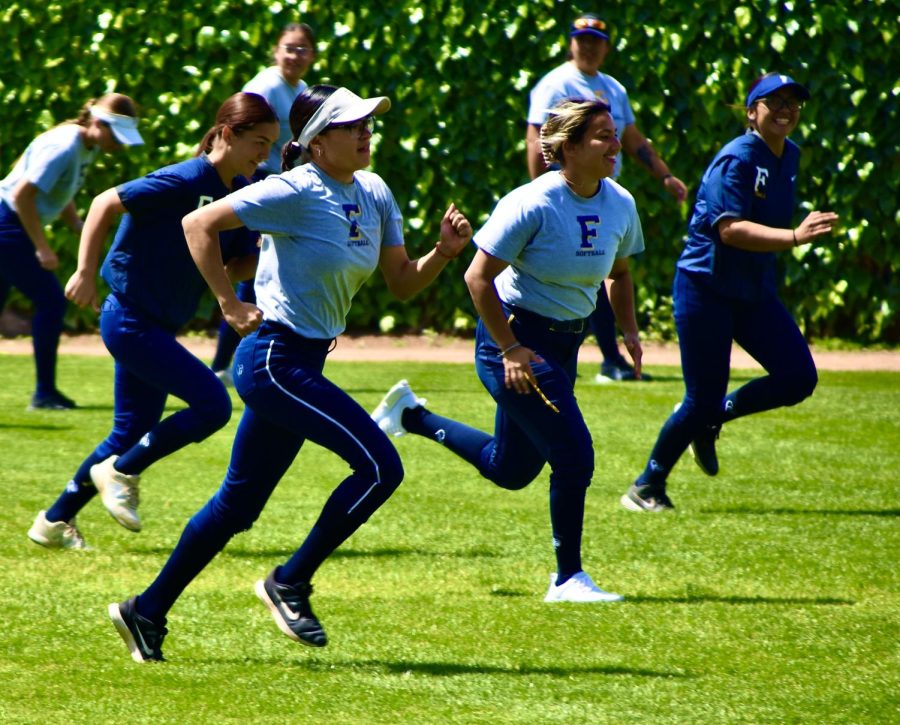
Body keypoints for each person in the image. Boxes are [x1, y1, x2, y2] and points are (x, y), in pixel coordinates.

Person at [107, 84, 473, 661]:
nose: (365, 132)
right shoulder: (295, 187)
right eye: (352, 124)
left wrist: (445, 254)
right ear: (318, 141)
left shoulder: (374, 190)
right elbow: (197, 225)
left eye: (367, 123)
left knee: (237, 507)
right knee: (381, 468)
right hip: (274, 359)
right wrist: (228, 303)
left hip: (301, 360)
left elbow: (402, 281)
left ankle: (145, 611)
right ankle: (290, 583)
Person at [373, 99, 644, 603]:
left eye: (614, 134)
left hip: (564, 344)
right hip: (516, 342)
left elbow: (621, 274)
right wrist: (512, 348)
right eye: (603, 136)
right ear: (568, 148)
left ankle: (411, 417)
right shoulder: (531, 203)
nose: (614, 145)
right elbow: (477, 278)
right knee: (574, 456)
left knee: (510, 469)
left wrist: (628, 331)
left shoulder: (620, 203)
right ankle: (567, 579)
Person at [27, 92, 279, 550]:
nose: (264, 154)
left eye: (270, 145)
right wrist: (84, 270)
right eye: (258, 142)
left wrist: (267, 250)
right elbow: (105, 203)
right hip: (129, 317)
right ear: (226, 134)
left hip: (157, 324)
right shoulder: (185, 179)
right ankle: (122, 470)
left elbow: (233, 264)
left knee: (129, 431)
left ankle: (53, 519)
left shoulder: (240, 194)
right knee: (212, 406)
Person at [620, 73, 839, 512]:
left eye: (793, 102)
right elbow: (730, 230)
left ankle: (715, 417)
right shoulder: (736, 158)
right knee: (700, 398)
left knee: (798, 377)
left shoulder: (789, 155)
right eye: (773, 101)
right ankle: (646, 487)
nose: (785, 109)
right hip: (706, 288)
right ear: (750, 111)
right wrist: (795, 237)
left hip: (753, 291)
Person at [526, 13, 687, 383]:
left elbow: (631, 137)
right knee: (588, 271)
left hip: (599, 194)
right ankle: (602, 357)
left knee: (600, 271)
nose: (588, 47)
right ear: (570, 43)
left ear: (606, 47)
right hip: (564, 191)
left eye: (595, 41)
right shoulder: (555, 83)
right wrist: (540, 191)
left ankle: (606, 358)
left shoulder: (613, 88)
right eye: (581, 39)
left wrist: (663, 175)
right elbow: (536, 138)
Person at [0, 93, 143, 410]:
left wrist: (76, 223)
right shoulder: (65, 146)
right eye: (116, 136)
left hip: (9, 225)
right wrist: (42, 247)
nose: (119, 145)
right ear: (96, 122)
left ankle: (45, 392)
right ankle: (44, 393)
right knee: (51, 301)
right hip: (7, 225)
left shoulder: (85, 146)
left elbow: (57, 188)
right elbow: (23, 195)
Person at [210, 22, 318, 385]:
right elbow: (236, 124)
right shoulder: (266, 85)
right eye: (289, 47)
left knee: (258, 269)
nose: (295, 55)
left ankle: (229, 361)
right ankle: (227, 362)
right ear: (275, 51)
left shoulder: (300, 90)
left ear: (313, 55)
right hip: (256, 181)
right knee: (252, 270)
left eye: (303, 49)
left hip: (279, 184)